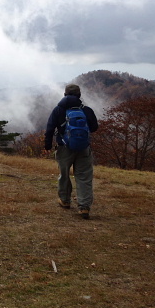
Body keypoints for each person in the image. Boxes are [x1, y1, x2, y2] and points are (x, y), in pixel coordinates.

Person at [45, 84, 99, 219]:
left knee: (64, 174)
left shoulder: (58, 110)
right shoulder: (86, 110)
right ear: (79, 95)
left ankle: (64, 200)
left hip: (64, 148)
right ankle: (84, 207)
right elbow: (94, 127)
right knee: (84, 177)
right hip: (83, 148)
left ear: (65, 95)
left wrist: (47, 145)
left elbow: (50, 128)